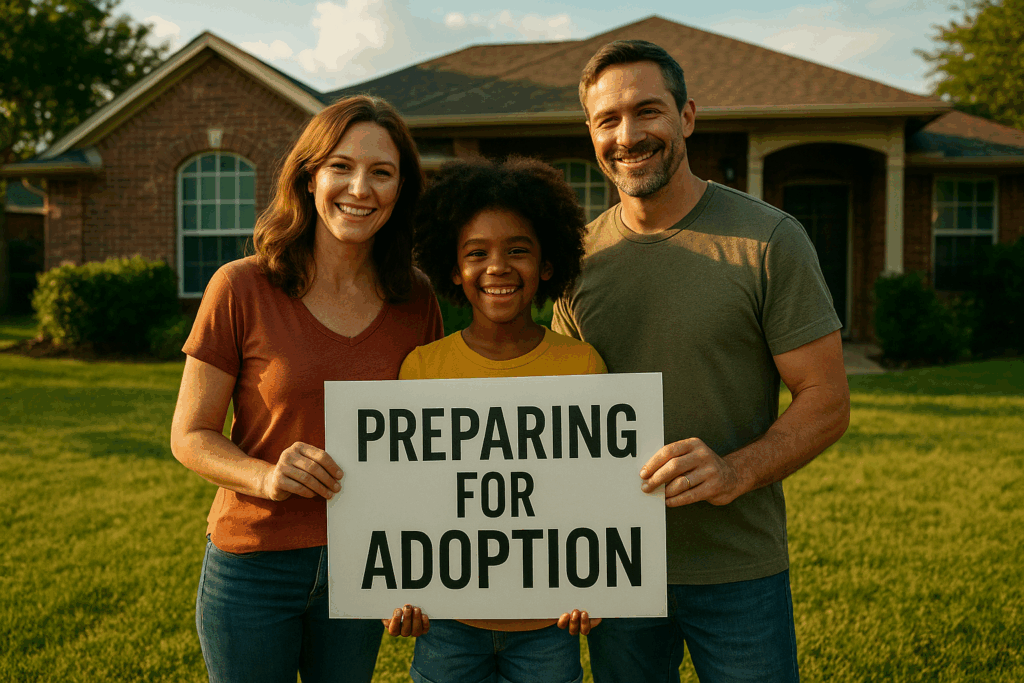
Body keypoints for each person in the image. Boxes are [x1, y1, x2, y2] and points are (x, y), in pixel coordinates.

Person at [551, 40, 851, 682]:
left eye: (647, 111)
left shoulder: (769, 239)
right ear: (592, 135)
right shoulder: (576, 260)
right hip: (617, 571)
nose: (628, 136)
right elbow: (558, 423)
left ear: (687, 117)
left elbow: (826, 401)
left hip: (738, 569)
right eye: (608, 120)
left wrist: (735, 471)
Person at [169, 95, 444, 683]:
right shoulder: (241, 286)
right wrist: (265, 476)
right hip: (254, 565)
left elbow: (426, 449)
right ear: (309, 176)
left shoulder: (416, 298)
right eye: (341, 166)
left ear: (401, 190)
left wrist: (413, 569)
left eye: (381, 172)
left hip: (361, 562)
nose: (359, 188)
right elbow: (190, 435)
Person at [397, 157, 605, 683]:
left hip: (549, 624)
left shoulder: (582, 364)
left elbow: (596, 495)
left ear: (548, 264)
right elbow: (405, 497)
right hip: (447, 624)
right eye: (476, 253)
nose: (498, 267)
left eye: (518, 250)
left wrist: (599, 585)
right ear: (452, 269)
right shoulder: (422, 368)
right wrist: (396, 589)